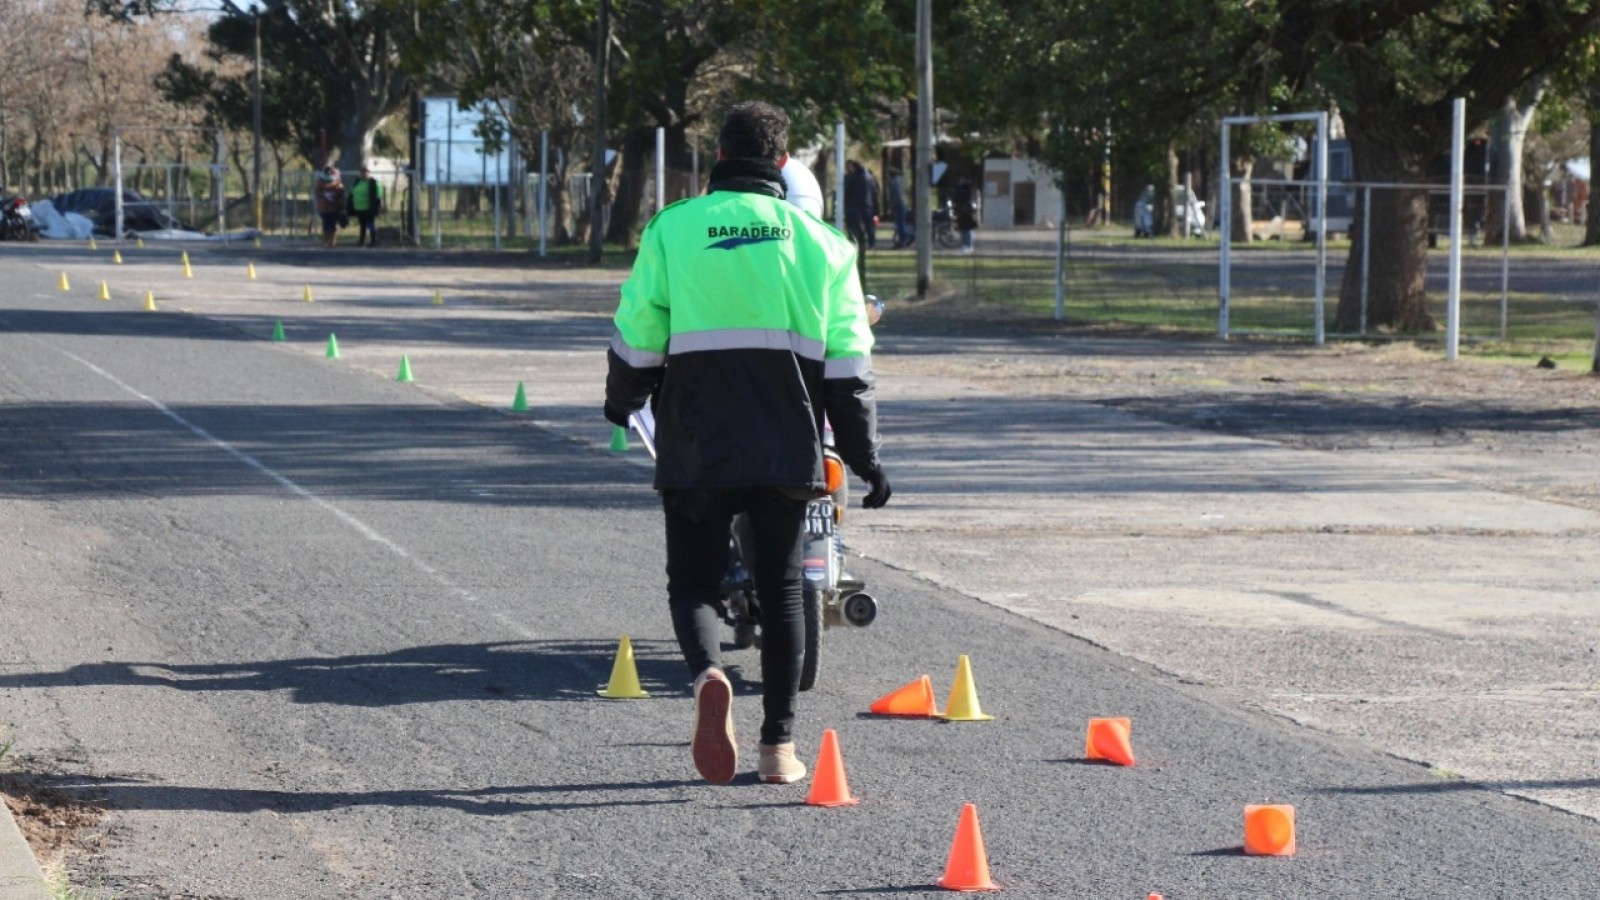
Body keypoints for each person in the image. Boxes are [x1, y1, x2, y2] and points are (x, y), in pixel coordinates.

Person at [605, 100, 891, 786]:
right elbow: (851, 371)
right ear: (784, 162)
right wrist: (865, 458)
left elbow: (638, 337)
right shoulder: (825, 245)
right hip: (786, 445)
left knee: (695, 586)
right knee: (785, 589)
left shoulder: (672, 230)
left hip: (697, 442)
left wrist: (623, 404)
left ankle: (708, 675)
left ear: (719, 158)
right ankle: (778, 749)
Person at [843, 160, 879, 250]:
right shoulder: (870, 177)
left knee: (853, 227)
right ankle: (872, 243)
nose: (847, 169)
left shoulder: (852, 177)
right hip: (868, 205)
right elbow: (875, 192)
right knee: (869, 226)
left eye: (848, 167)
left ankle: (853, 243)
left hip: (855, 205)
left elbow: (848, 191)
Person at [347, 166, 385, 247]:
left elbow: (379, 195)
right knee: (362, 225)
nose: (364, 174)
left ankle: (373, 240)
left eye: (366, 173)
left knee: (370, 224)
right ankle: (361, 240)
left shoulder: (373, 183)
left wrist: (377, 207)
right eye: (362, 173)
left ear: (369, 173)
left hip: (369, 208)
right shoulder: (358, 182)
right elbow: (352, 192)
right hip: (359, 208)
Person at [314, 166, 346, 248]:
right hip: (324, 207)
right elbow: (317, 192)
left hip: (334, 207)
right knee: (325, 225)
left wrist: (334, 195)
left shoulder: (338, 182)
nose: (329, 174)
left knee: (333, 226)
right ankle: (325, 241)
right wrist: (324, 195)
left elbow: (341, 193)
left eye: (330, 172)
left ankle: (333, 241)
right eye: (327, 172)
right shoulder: (321, 182)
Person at [952, 176, 978, 253]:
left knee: (967, 229)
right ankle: (967, 245)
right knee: (965, 229)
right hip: (964, 211)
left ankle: (968, 245)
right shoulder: (965, 188)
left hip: (965, 211)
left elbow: (959, 196)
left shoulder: (965, 188)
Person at [886, 167, 910, 248]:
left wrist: (892, 205)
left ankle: (904, 239)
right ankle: (903, 238)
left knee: (900, 223)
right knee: (901, 222)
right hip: (903, 204)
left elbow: (897, 195)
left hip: (899, 205)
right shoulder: (900, 181)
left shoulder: (894, 183)